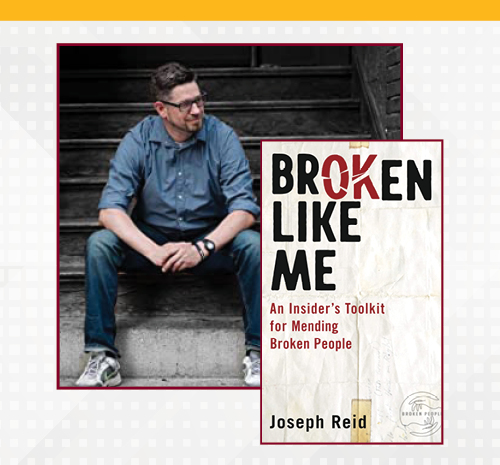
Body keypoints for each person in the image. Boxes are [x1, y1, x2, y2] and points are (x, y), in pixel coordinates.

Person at [76, 62, 261, 387]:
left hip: (211, 241)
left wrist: (202, 248)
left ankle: (259, 351)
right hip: (153, 242)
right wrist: (154, 250)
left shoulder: (221, 137)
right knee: (100, 244)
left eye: (199, 99)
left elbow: (245, 210)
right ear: (161, 109)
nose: (196, 110)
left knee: (253, 244)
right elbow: (109, 210)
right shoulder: (140, 138)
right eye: (185, 104)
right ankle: (102, 356)